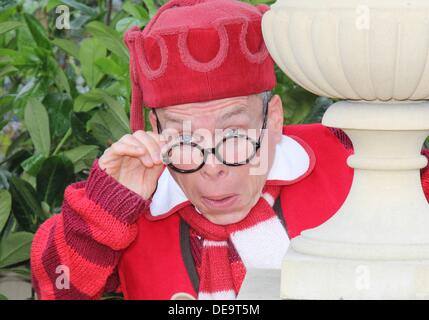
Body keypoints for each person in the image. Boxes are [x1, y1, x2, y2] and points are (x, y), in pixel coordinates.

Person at [30, 0, 429, 300]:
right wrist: (104, 210)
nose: (212, 169)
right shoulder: (130, 202)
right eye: (185, 141)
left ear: (273, 119)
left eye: (234, 137)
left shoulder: (356, 160)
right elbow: (57, 289)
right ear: (155, 132)